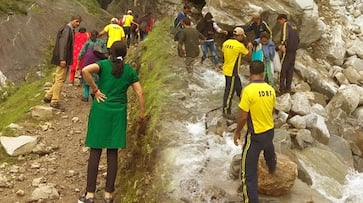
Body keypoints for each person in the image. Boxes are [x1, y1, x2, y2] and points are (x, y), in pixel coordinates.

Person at [78, 40, 145, 203]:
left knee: (95, 151)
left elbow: (85, 70)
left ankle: (90, 195)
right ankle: (108, 195)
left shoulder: (103, 65)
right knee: (112, 153)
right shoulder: (129, 71)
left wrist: (95, 89)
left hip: (100, 110)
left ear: (111, 52)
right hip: (118, 113)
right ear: (125, 54)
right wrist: (142, 114)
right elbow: (140, 92)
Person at [233, 61, 277, 203]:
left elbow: (243, 117)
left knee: (248, 175)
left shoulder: (248, 91)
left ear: (250, 73)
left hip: (255, 136)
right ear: (263, 73)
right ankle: (272, 168)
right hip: (269, 131)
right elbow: (271, 110)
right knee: (269, 150)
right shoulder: (270, 89)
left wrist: (237, 132)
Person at [43, 15, 82, 109]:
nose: (78, 24)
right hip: (63, 59)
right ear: (71, 20)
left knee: (61, 78)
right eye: (76, 21)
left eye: (79, 22)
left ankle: (48, 96)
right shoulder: (67, 30)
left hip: (65, 58)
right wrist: (62, 59)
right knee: (60, 79)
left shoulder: (70, 29)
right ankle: (54, 101)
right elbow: (63, 45)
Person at [221, 27, 252, 120]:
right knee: (229, 92)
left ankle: (244, 104)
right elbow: (248, 57)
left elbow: (224, 54)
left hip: (226, 69)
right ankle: (226, 111)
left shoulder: (225, 43)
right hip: (232, 72)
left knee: (239, 88)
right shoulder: (239, 46)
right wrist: (249, 48)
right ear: (241, 36)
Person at [77, 30, 107, 102]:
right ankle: (95, 93)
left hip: (87, 62)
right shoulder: (101, 42)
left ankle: (86, 96)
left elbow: (82, 52)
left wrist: (79, 59)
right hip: (97, 63)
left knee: (86, 79)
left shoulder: (88, 42)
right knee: (96, 79)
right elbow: (105, 52)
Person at [276, 14, 300, 93]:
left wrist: (282, 45)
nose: (280, 24)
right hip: (293, 51)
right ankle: (288, 88)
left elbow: (285, 36)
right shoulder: (294, 25)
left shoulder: (286, 24)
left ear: (282, 19)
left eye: (279, 22)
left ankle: (281, 88)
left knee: (282, 69)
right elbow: (298, 38)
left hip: (287, 50)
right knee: (290, 70)